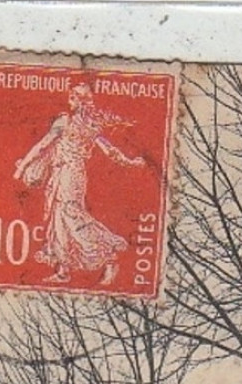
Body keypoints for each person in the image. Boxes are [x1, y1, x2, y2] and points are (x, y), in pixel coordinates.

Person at [13, 83, 148, 287]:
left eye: (72, 97)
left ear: (77, 101)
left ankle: (109, 258)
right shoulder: (92, 126)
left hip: (68, 174)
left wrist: (21, 167)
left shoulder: (65, 121)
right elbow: (110, 151)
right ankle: (63, 270)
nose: (70, 100)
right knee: (57, 219)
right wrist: (130, 162)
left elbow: (42, 145)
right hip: (66, 174)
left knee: (71, 216)